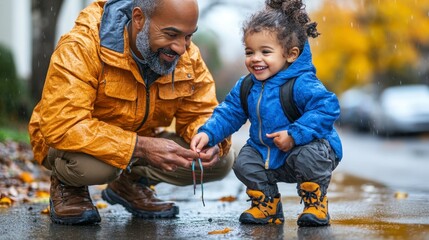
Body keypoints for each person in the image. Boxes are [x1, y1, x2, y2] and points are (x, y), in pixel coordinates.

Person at [28, 0, 234, 225]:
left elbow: (200, 111)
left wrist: (207, 136)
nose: (181, 48)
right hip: (75, 146)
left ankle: (130, 183)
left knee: (222, 160)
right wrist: (140, 147)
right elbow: (63, 124)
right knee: (99, 168)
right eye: (171, 34)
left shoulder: (187, 57)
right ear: (139, 19)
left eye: (188, 36)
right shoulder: (83, 45)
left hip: (139, 142)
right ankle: (68, 185)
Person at [190, 0, 342, 227]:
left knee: (310, 155)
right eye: (249, 51)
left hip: (303, 150)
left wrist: (294, 134)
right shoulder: (247, 86)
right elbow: (230, 111)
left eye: (265, 52)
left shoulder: (301, 83)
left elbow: (327, 107)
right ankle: (267, 204)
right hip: (267, 153)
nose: (255, 59)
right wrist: (209, 133)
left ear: (290, 54)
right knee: (244, 161)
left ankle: (315, 203)